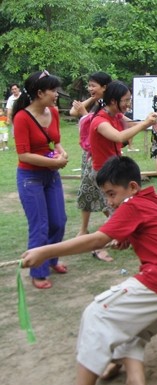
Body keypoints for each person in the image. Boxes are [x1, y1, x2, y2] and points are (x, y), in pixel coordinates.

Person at [21, 156, 157, 385]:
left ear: (133, 187)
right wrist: (127, 236)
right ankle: (135, 384)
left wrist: (46, 251)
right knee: (130, 328)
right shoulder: (154, 200)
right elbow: (154, 229)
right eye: (106, 195)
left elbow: (98, 239)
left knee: (97, 315)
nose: (110, 202)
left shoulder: (133, 205)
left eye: (112, 194)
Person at [13, 70, 69, 289]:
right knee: (40, 226)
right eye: (53, 90)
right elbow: (23, 155)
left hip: (50, 175)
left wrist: (62, 154)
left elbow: (55, 142)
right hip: (30, 178)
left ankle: (51, 259)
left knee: (59, 221)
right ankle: (38, 271)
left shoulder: (53, 112)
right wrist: (55, 162)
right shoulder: (21, 118)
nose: (56, 94)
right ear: (39, 93)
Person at [70, 72, 114, 262]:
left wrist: (83, 113)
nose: (90, 88)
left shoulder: (109, 106)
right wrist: (90, 99)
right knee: (88, 191)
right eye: (89, 85)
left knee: (106, 194)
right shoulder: (97, 103)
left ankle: (110, 230)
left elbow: (94, 126)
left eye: (94, 85)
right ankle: (84, 230)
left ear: (105, 87)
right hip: (89, 155)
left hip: (101, 155)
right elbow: (74, 113)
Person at [90, 81, 157, 175]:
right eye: (126, 100)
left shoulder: (117, 115)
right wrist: (144, 124)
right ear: (113, 101)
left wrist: (148, 121)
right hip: (103, 172)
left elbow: (134, 124)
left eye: (129, 100)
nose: (128, 104)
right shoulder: (99, 121)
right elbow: (119, 137)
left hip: (114, 167)